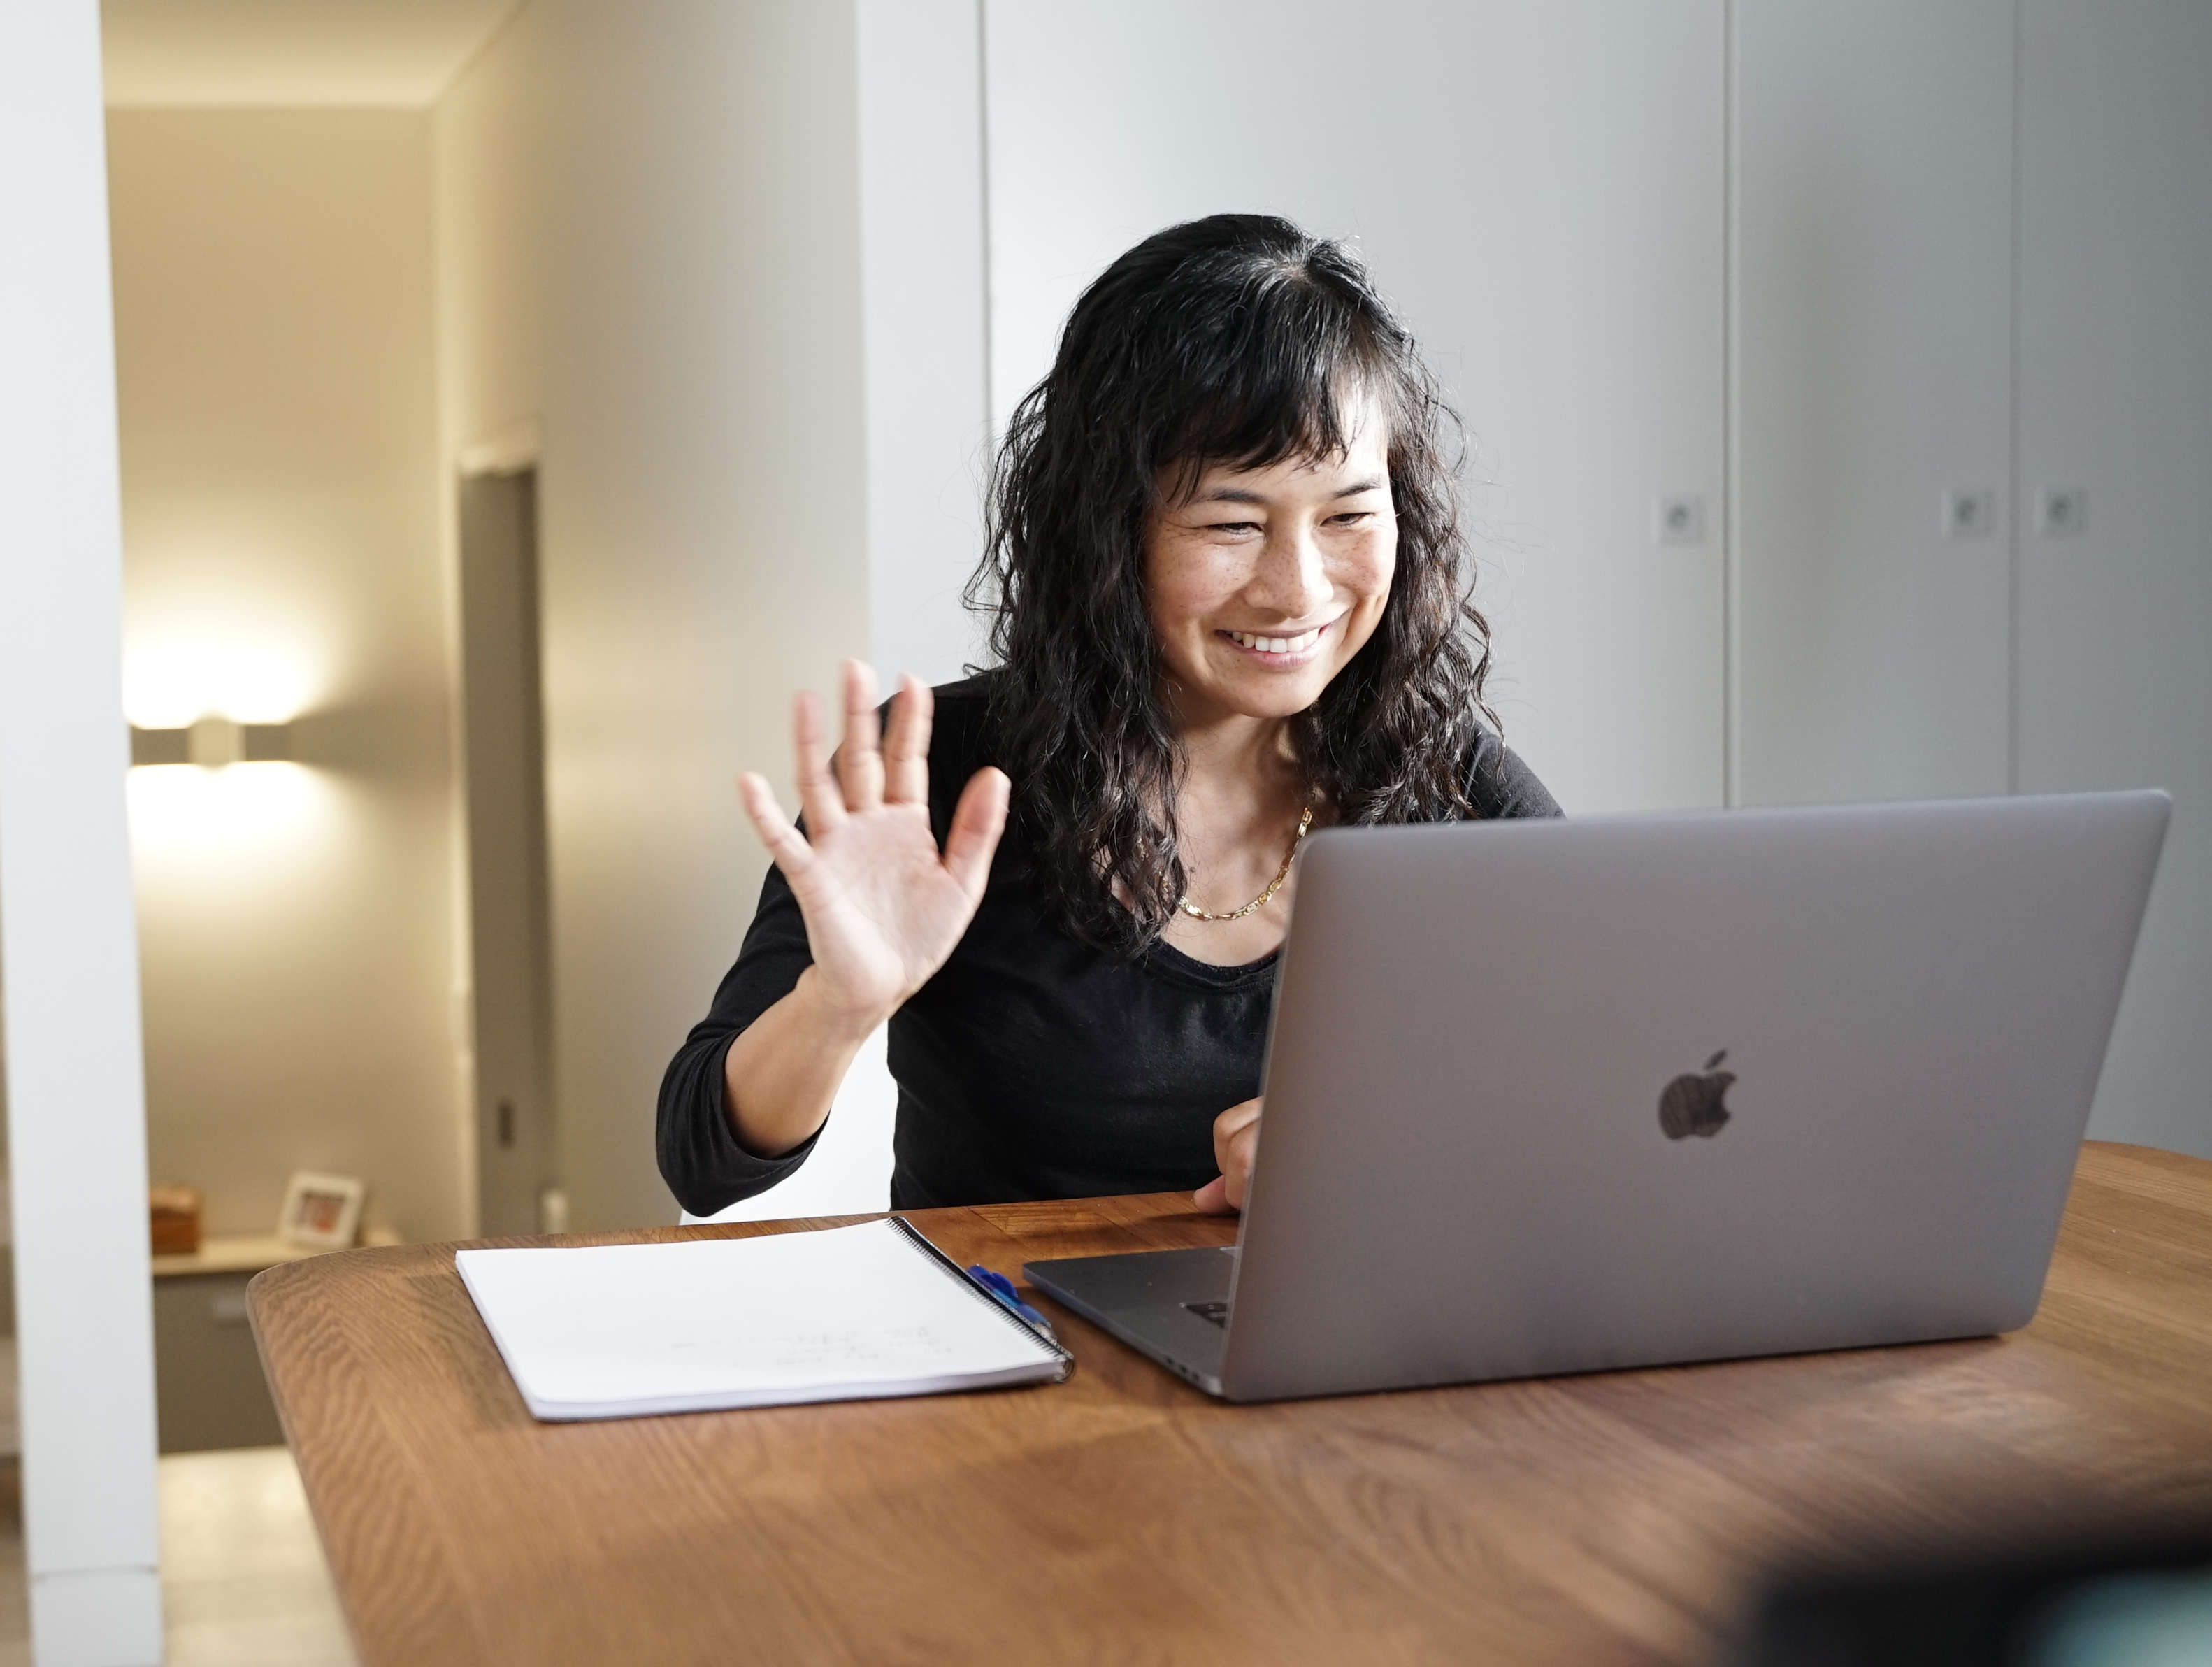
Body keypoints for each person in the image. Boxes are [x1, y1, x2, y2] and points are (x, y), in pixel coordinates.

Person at [657, 213, 1559, 1221]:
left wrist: (1409, 1144)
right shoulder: (941, 780)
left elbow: (1618, 1104)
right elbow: (703, 1160)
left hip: (1335, 1368)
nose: (1298, 589)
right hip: (1005, 1359)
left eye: (1349, 514)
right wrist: (838, 1005)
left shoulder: (1452, 790)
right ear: (1105, 528)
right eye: (1232, 523)